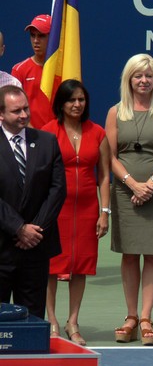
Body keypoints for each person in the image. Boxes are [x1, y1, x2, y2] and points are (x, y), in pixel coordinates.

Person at [105, 54, 153, 346]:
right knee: (129, 253)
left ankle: (147, 317)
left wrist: (149, 184)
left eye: (149, 76)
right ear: (129, 79)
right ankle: (131, 317)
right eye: (138, 76)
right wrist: (132, 184)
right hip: (125, 192)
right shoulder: (115, 112)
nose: (144, 80)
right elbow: (109, 156)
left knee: (152, 254)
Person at [41, 80, 110, 345]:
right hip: (55, 209)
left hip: (87, 209)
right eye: (71, 100)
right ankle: (51, 321)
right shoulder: (48, 132)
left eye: (81, 99)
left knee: (80, 265)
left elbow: (104, 176)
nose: (77, 104)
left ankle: (72, 322)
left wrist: (105, 212)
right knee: (51, 265)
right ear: (61, 103)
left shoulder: (98, 133)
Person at [0, 85, 66, 319]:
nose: (24, 115)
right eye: (16, 111)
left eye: (25, 108)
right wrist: (18, 228)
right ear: (1, 114)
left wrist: (34, 231)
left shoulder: (47, 142)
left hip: (35, 248)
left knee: (32, 320)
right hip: (3, 246)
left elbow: (57, 190)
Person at [11, 15, 54, 128]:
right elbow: (14, 108)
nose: (36, 41)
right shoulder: (19, 70)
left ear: (53, 37)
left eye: (41, 36)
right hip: (31, 135)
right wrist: (35, 135)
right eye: (32, 35)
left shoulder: (63, 69)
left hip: (60, 136)